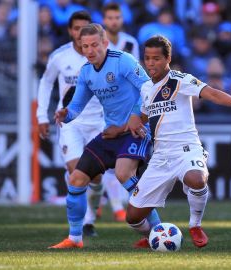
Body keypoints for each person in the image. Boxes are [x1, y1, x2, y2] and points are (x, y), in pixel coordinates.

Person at [125, 35, 231, 248]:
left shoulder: (180, 80)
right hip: (160, 156)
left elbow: (211, 93)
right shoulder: (146, 89)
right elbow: (148, 115)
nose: (150, 63)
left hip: (187, 149)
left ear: (168, 58)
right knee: (133, 217)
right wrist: (136, 121)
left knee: (197, 179)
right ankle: (152, 236)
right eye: (147, 58)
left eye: (156, 58)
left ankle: (195, 225)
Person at [50, 23, 161, 249]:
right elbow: (77, 106)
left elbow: (149, 88)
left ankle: (158, 231)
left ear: (105, 43)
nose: (90, 50)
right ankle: (75, 239)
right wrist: (66, 114)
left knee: (122, 174)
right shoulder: (87, 72)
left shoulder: (124, 60)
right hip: (110, 133)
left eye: (94, 45)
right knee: (77, 179)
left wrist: (135, 117)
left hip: (135, 130)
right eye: (85, 47)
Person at [36, 11, 107, 237]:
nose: (80, 34)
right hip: (70, 121)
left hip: (98, 122)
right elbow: (46, 83)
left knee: (96, 177)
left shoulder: (105, 56)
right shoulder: (60, 56)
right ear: (70, 31)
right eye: (77, 29)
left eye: (86, 28)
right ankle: (82, 223)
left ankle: (91, 218)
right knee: (76, 171)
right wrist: (41, 116)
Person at [98, 2, 141, 221]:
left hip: (124, 107)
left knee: (117, 160)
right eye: (110, 18)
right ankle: (112, 206)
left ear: (122, 19)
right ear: (104, 20)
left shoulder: (130, 43)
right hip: (101, 106)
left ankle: (105, 203)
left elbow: (136, 74)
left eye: (117, 17)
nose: (114, 21)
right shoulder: (97, 44)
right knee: (101, 159)